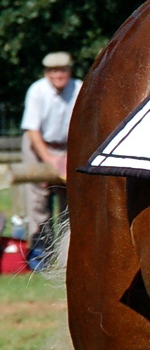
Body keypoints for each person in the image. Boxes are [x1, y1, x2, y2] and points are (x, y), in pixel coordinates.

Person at [21, 51, 80, 244]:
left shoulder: (78, 88)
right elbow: (31, 129)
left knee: (71, 197)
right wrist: (50, 160)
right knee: (38, 196)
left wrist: (67, 157)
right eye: (53, 71)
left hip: (69, 146)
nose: (58, 75)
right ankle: (40, 245)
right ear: (47, 73)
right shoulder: (37, 90)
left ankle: (67, 246)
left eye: (62, 70)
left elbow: (82, 126)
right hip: (38, 145)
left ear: (69, 71)